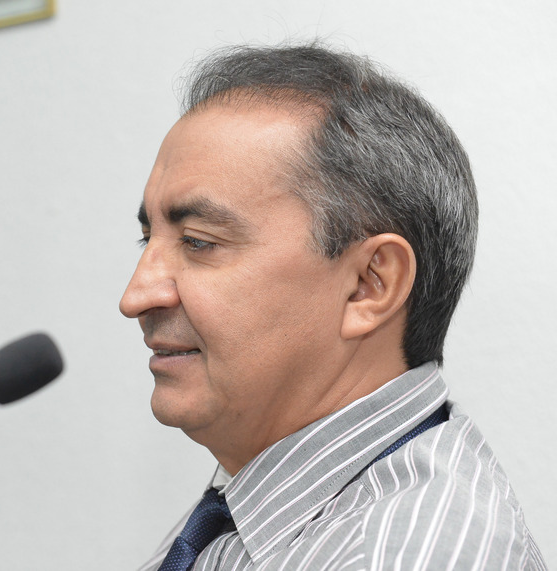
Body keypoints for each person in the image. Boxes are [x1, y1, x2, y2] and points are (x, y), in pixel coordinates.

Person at [119, 43, 545, 570]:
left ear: (368, 285)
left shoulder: (403, 553)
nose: (135, 297)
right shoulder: (251, 506)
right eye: (147, 240)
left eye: (199, 242)